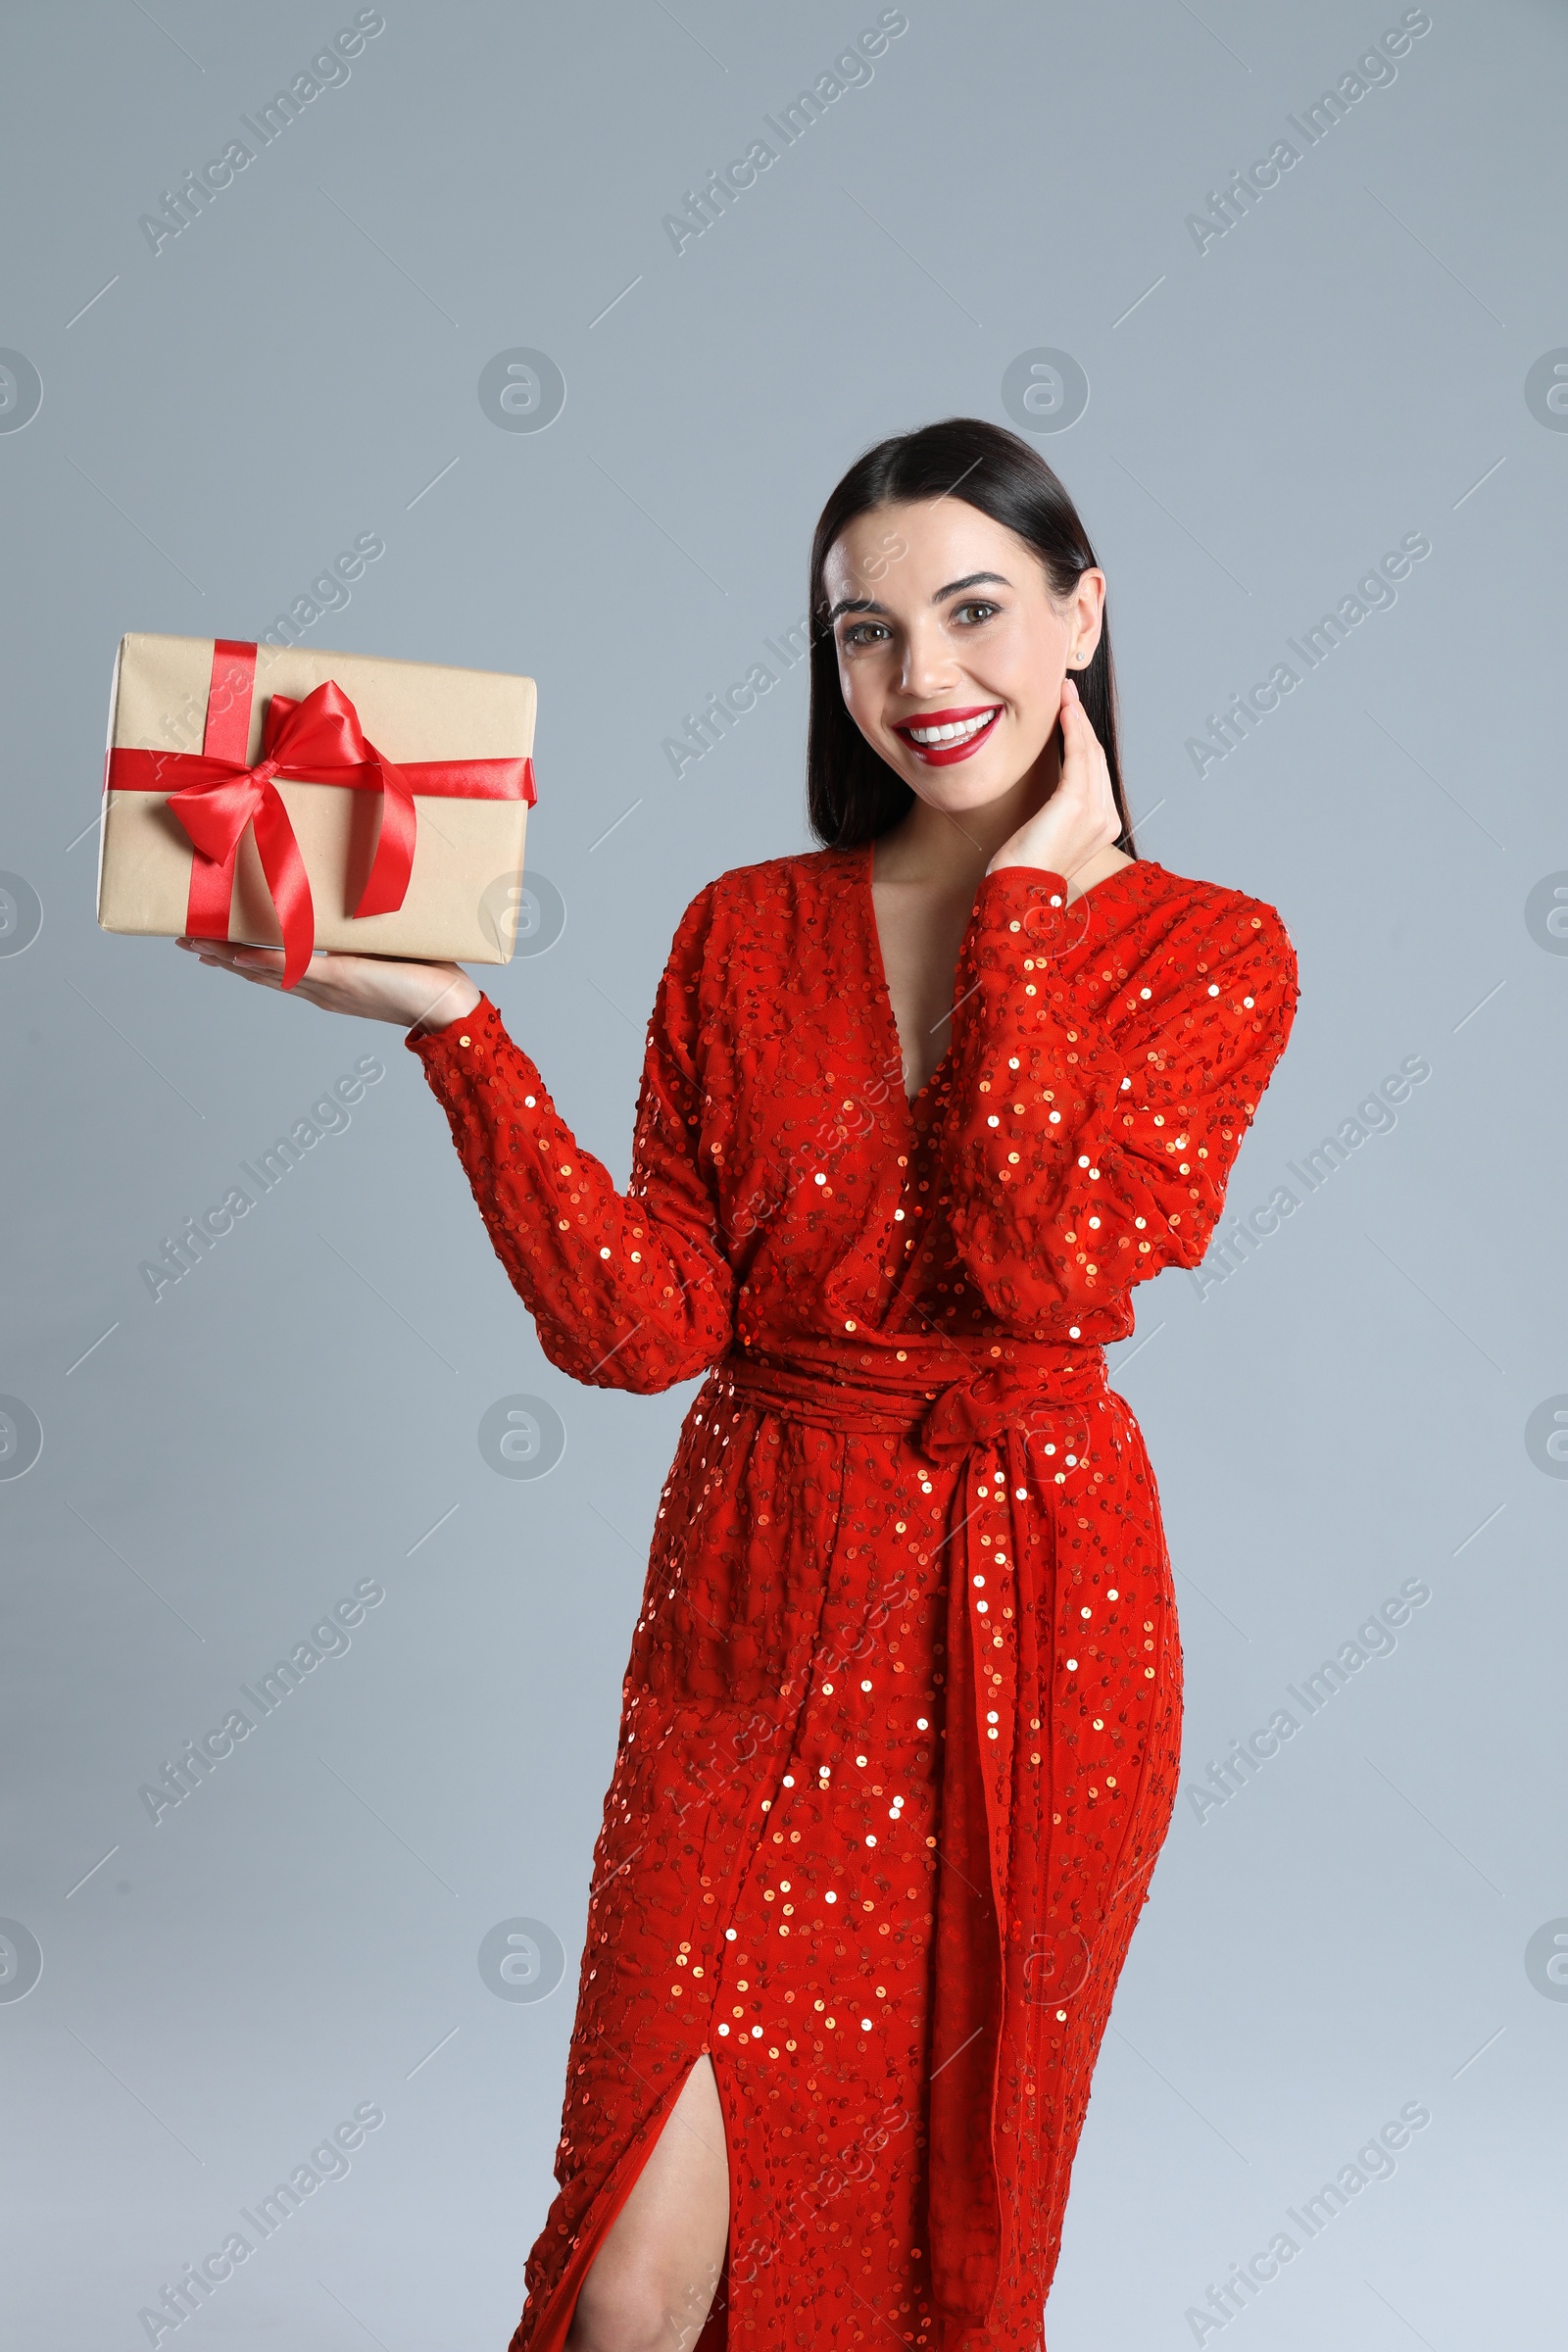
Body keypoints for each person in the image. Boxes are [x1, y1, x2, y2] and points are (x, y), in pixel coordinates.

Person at [182, 416, 1299, 2352]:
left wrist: (1026, 905)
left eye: (969, 613)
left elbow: (1037, 1262)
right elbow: (636, 1330)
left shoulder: (1209, 953)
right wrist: (453, 1028)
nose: (918, 678)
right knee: (634, 2269)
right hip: (748, 1600)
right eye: (861, 634)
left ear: (1078, 614)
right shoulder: (742, 929)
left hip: (1023, 1632)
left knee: (933, 2232)